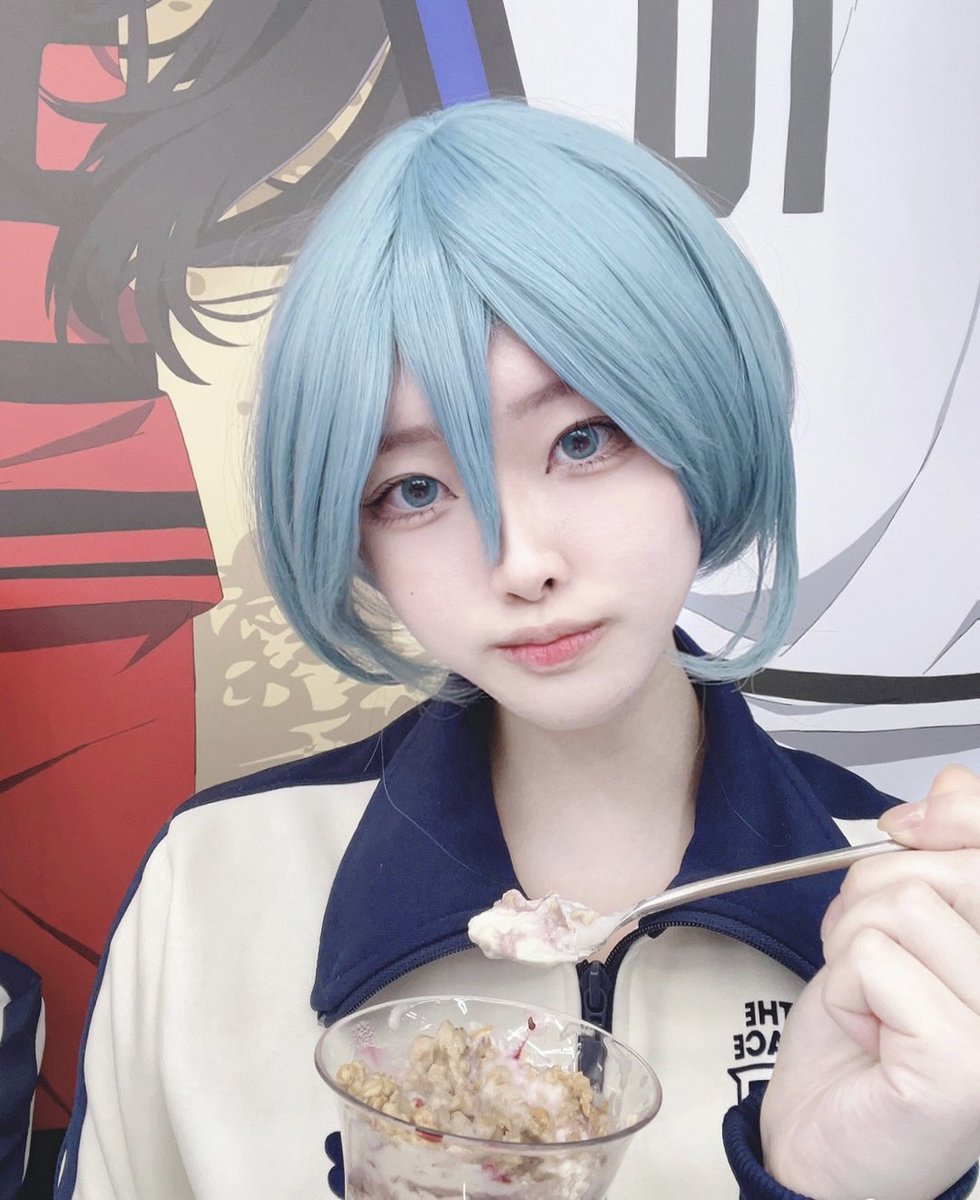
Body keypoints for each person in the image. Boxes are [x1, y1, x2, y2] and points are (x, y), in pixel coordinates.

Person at [55, 100, 980, 1200]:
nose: (522, 563)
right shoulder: (213, 883)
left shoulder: (917, 926)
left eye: (583, 439)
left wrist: (833, 1186)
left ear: (699, 417)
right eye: (414, 490)